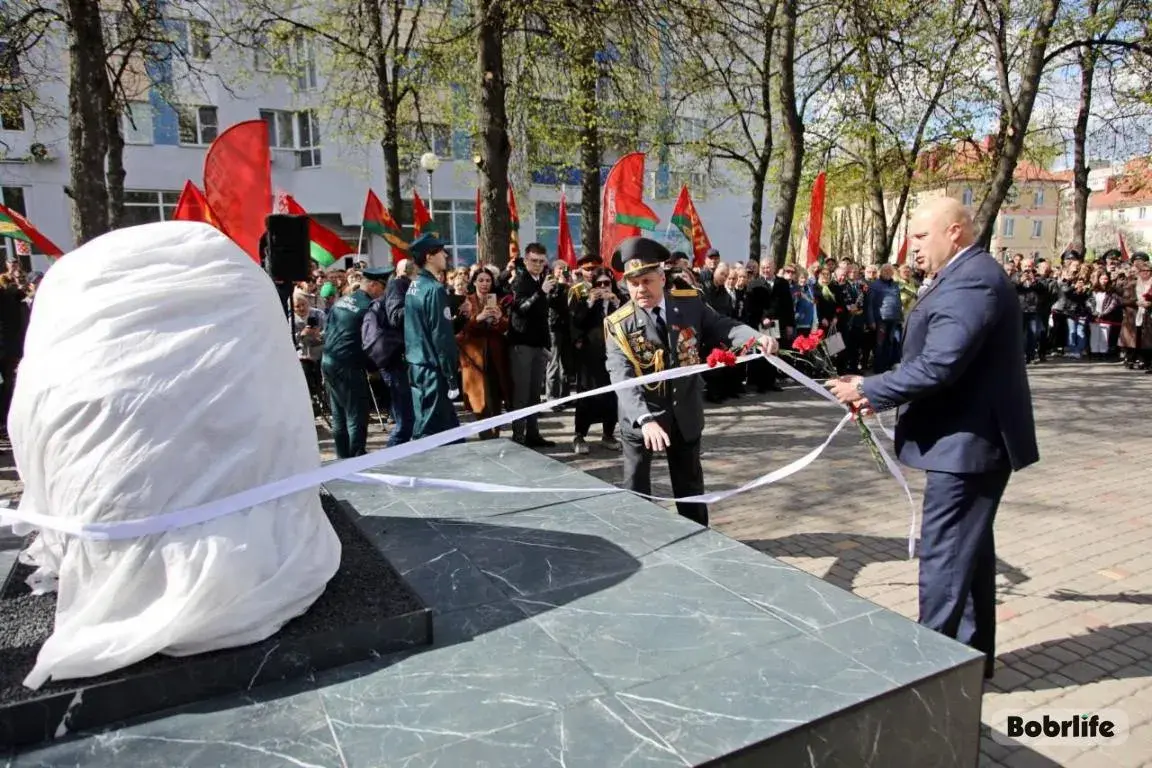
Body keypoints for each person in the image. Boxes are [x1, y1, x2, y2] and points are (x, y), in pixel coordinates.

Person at [827, 197, 1038, 681]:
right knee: (971, 553)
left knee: (944, 556)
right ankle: (970, 659)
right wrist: (873, 383)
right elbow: (935, 356)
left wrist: (869, 389)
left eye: (921, 236)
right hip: (965, 441)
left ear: (956, 232)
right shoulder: (963, 275)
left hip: (968, 445)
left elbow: (941, 365)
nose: (912, 246)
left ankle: (929, 673)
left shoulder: (972, 280)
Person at [604, 237, 778, 527]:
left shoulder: (689, 303)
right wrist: (645, 420)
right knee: (636, 490)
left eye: (647, 280)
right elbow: (622, 378)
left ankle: (699, 540)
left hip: (684, 413)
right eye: (633, 284)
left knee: (691, 490)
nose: (640, 289)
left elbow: (723, 325)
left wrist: (756, 337)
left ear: (662, 278)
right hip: (641, 418)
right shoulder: (618, 325)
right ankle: (639, 540)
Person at [321, 266, 389, 458]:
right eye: (383, 288)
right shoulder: (368, 307)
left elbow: (328, 329)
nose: (383, 293)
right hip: (349, 365)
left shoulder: (343, 301)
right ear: (374, 285)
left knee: (339, 414)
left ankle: (342, 457)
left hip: (329, 361)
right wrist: (376, 365)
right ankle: (356, 456)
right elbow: (372, 340)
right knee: (356, 414)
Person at [404, 234, 463, 440]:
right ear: (429, 256)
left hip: (417, 364)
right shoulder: (434, 289)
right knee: (427, 432)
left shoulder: (414, 286)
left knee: (451, 432)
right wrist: (451, 376)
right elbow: (442, 336)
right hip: (432, 369)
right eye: (441, 251)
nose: (445, 255)